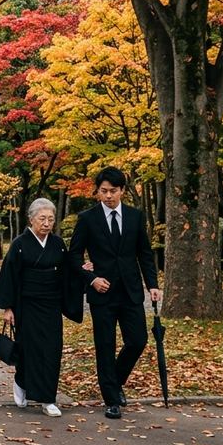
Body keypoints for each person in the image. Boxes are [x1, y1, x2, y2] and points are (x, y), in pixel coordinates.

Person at [67, 166, 161, 420]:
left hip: (130, 291)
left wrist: (152, 284)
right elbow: (74, 256)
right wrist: (92, 279)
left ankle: (115, 381)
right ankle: (111, 399)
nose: (108, 196)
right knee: (105, 345)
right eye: (104, 191)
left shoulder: (135, 216)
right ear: (97, 191)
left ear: (122, 191)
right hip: (102, 293)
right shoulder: (87, 219)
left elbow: (144, 253)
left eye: (113, 191)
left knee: (137, 340)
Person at [0, 197, 82, 418]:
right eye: (42, 218)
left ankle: (47, 399)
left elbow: (68, 273)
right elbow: (9, 276)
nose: (46, 223)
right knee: (28, 349)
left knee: (52, 349)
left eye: (50, 219)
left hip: (51, 303)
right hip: (27, 304)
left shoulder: (58, 244)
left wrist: (83, 270)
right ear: (31, 219)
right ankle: (21, 382)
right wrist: (8, 308)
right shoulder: (19, 244)